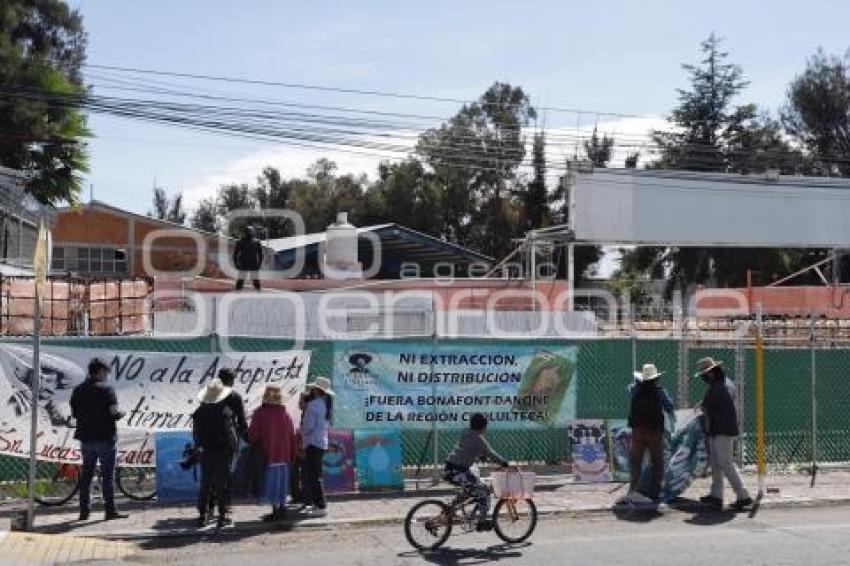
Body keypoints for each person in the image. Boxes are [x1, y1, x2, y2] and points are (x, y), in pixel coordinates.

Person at [69, 358, 128, 521]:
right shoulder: (107, 390)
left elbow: (74, 413)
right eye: (106, 372)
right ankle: (110, 511)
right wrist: (121, 414)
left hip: (86, 438)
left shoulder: (78, 390)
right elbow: (114, 413)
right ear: (100, 371)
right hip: (105, 437)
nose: (107, 375)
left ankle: (84, 511)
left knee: (86, 475)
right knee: (107, 476)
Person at [695, 357, 753, 511]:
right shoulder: (723, 383)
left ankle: (743, 496)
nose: (703, 378)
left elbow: (710, 405)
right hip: (720, 428)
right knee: (716, 463)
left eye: (704, 374)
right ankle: (716, 496)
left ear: (711, 373)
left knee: (725, 463)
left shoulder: (718, 388)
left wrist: (702, 407)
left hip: (722, 429)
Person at [444, 413, 511, 531]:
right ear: (483, 427)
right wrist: (505, 464)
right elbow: (491, 453)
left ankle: (450, 508)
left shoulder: (466, 432)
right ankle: (481, 522)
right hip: (458, 472)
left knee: (471, 488)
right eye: (486, 426)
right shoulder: (478, 439)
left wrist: (481, 457)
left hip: (450, 469)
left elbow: (466, 449)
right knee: (484, 492)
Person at [192, 378, 239, 529]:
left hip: (205, 452)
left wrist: (198, 447)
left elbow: (195, 434)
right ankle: (222, 516)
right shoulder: (225, 411)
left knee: (205, 484)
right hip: (221, 452)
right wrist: (236, 448)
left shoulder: (199, 412)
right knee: (221, 484)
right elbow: (230, 433)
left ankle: (202, 515)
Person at [248, 385, 297, 521]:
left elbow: (253, 434)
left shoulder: (259, 413)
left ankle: (275, 511)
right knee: (282, 484)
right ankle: (282, 509)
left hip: (268, 455)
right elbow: (291, 435)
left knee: (270, 484)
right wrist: (293, 454)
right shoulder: (285, 414)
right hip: (283, 455)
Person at [627, 363, 675, 502]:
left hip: (638, 430)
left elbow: (629, 389)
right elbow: (670, 406)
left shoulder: (635, 389)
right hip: (655, 431)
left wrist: (637, 381)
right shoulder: (659, 391)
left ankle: (634, 489)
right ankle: (654, 492)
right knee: (657, 462)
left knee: (636, 460)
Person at [300, 377, 333, 517]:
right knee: (314, 474)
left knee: (314, 476)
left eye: (313, 388)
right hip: (319, 442)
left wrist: (301, 431)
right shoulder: (324, 404)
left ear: (316, 390)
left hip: (313, 442)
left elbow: (308, 426)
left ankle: (321, 505)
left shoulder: (313, 405)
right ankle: (316, 504)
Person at [289, 392, 310, 505]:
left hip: (303, 448)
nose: (299, 403)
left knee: (302, 473)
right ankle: (297, 496)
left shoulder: (308, 414)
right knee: (295, 472)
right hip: (299, 447)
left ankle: (303, 496)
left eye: (301, 401)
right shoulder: (304, 413)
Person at [233, 225, 263, 291]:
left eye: (251, 231)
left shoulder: (257, 242)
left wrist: (259, 264)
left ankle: (258, 293)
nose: (251, 232)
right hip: (244, 264)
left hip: (253, 264)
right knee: (240, 281)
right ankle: (237, 293)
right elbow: (235, 254)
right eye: (249, 231)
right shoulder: (240, 242)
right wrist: (236, 264)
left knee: (256, 281)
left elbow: (260, 254)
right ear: (246, 232)